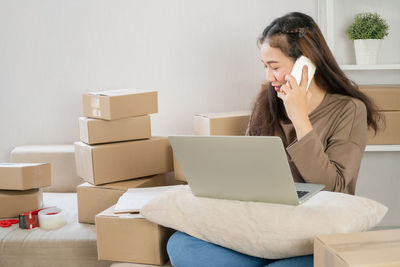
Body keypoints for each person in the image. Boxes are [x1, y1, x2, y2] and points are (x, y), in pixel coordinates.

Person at [167, 12, 382, 267]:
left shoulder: (349, 109)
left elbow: (335, 188)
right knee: (181, 244)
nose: (269, 77)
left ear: (307, 64)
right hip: (263, 229)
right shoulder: (266, 105)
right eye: (265, 66)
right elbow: (246, 174)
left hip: (311, 237)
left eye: (275, 66)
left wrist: (300, 118)